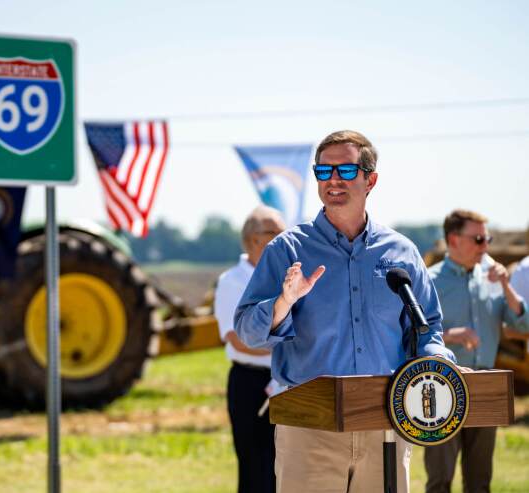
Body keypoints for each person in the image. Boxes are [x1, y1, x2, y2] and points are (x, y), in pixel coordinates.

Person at [234, 130, 455, 493]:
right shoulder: (286, 250)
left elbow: (427, 326)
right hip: (310, 427)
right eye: (324, 171)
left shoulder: (401, 252)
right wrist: (283, 302)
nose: (333, 180)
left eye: (346, 170)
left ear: (371, 180)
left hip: (386, 422)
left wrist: (436, 361)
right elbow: (247, 330)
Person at [424, 210, 529, 493]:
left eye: (488, 239)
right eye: (480, 239)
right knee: (439, 480)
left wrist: (506, 284)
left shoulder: (494, 280)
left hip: (485, 384)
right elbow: (410, 336)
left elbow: (523, 323)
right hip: (442, 385)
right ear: (454, 240)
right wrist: (449, 335)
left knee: (480, 481)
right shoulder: (429, 280)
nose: (486, 247)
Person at [214, 205, 285, 493]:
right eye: (276, 233)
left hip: (287, 382)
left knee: (286, 466)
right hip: (251, 384)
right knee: (255, 468)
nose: (284, 239)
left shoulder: (287, 277)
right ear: (255, 239)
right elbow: (237, 338)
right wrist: (286, 351)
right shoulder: (232, 281)